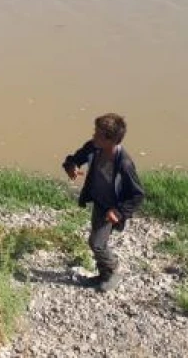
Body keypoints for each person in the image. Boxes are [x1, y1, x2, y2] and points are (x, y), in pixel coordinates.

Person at [62, 113, 145, 293]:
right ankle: (103, 274)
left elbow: (138, 194)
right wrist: (71, 166)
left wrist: (119, 211)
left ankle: (113, 270)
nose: (93, 136)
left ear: (111, 140)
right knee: (97, 240)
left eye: (98, 134)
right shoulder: (94, 148)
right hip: (98, 202)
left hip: (112, 209)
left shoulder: (124, 163)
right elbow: (76, 157)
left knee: (96, 243)